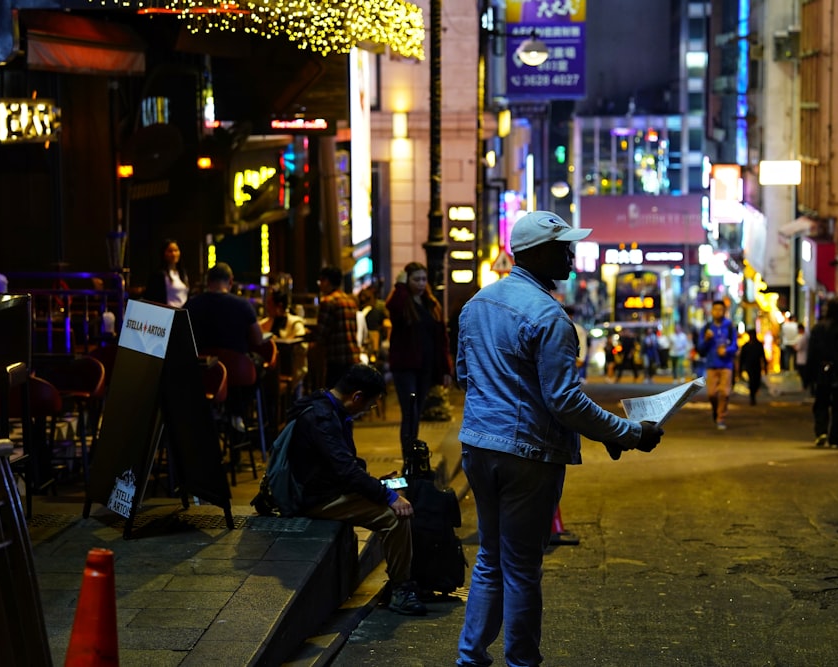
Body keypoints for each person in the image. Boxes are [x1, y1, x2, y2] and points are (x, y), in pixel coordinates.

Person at [454, 210, 663, 667]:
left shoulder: (475, 306)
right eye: (564, 246)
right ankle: (521, 662)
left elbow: (464, 375)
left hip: (477, 446)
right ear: (538, 253)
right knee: (523, 568)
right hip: (527, 455)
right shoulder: (549, 318)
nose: (571, 254)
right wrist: (629, 432)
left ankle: (470, 658)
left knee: (491, 557)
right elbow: (565, 401)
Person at [250, 364, 427, 616]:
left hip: (326, 489)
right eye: (370, 404)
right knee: (394, 517)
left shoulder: (326, 407)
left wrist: (376, 483)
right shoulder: (322, 418)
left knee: (396, 496)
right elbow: (345, 471)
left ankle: (403, 580)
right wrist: (386, 495)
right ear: (356, 397)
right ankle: (401, 590)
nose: (368, 410)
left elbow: (343, 466)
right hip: (313, 498)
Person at [385, 262, 453, 463]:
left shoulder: (431, 304)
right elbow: (394, 308)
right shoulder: (402, 302)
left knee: (417, 410)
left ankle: (413, 452)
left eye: (424, 279)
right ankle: (409, 455)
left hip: (426, 367)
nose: (422, 283)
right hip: (406, 367)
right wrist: (399, 286)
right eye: (416, 279)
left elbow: (441, 339)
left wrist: (445, 370)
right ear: (407, 280)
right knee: (410, 410)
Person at [184, 262, 262, 355]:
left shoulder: (191, 304)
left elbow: (181, 339)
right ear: (231, 281)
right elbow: (258, 340)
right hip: (237, 367)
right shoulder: (243, 305)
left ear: (208, 281)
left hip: (203, 367)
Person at [807, 297, 838, 448]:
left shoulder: (819, 329)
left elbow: (812, 353)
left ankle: (821, 431)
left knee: (821, 403)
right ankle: (835, 439)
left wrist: (809, 375)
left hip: (822, 370)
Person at [315, 266, 362, 388]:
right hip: (353, 357)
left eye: (321, 281)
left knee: (334, 398)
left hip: (336, 359)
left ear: (327, 281)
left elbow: (321, 335)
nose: (320, 285)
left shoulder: (328, 301)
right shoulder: (350, 301)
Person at [697, 300, 738, 430]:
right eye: (715, 309)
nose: (717, 312)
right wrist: (706, 340)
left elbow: (735, 345)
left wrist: (727, 350)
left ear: (724, 311)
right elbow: (700, 348)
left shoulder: (730, 327)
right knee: (711, 394)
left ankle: (721, 418)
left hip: (726, 364)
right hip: (711, 364)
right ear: (711, 311)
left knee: (725, 393)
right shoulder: (707, 327)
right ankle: (716, 410)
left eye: (720, 309)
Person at [142, 239, 189, 307]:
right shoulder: (159, 274)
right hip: (168, 313)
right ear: (164, 253)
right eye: (170, 251)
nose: (173, 254)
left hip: (182, 313)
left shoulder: (182, 273)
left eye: (176, 250)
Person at [738, 329, 767, 405]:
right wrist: (740, 369)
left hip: (757, 365)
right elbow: (742, 358)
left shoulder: (758, 345)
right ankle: (752, 397)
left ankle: (753, 394)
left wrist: (765, 366)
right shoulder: (746, 346)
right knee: (752, 380)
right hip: (749, 366)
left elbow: (763, 356)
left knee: (756, 381)